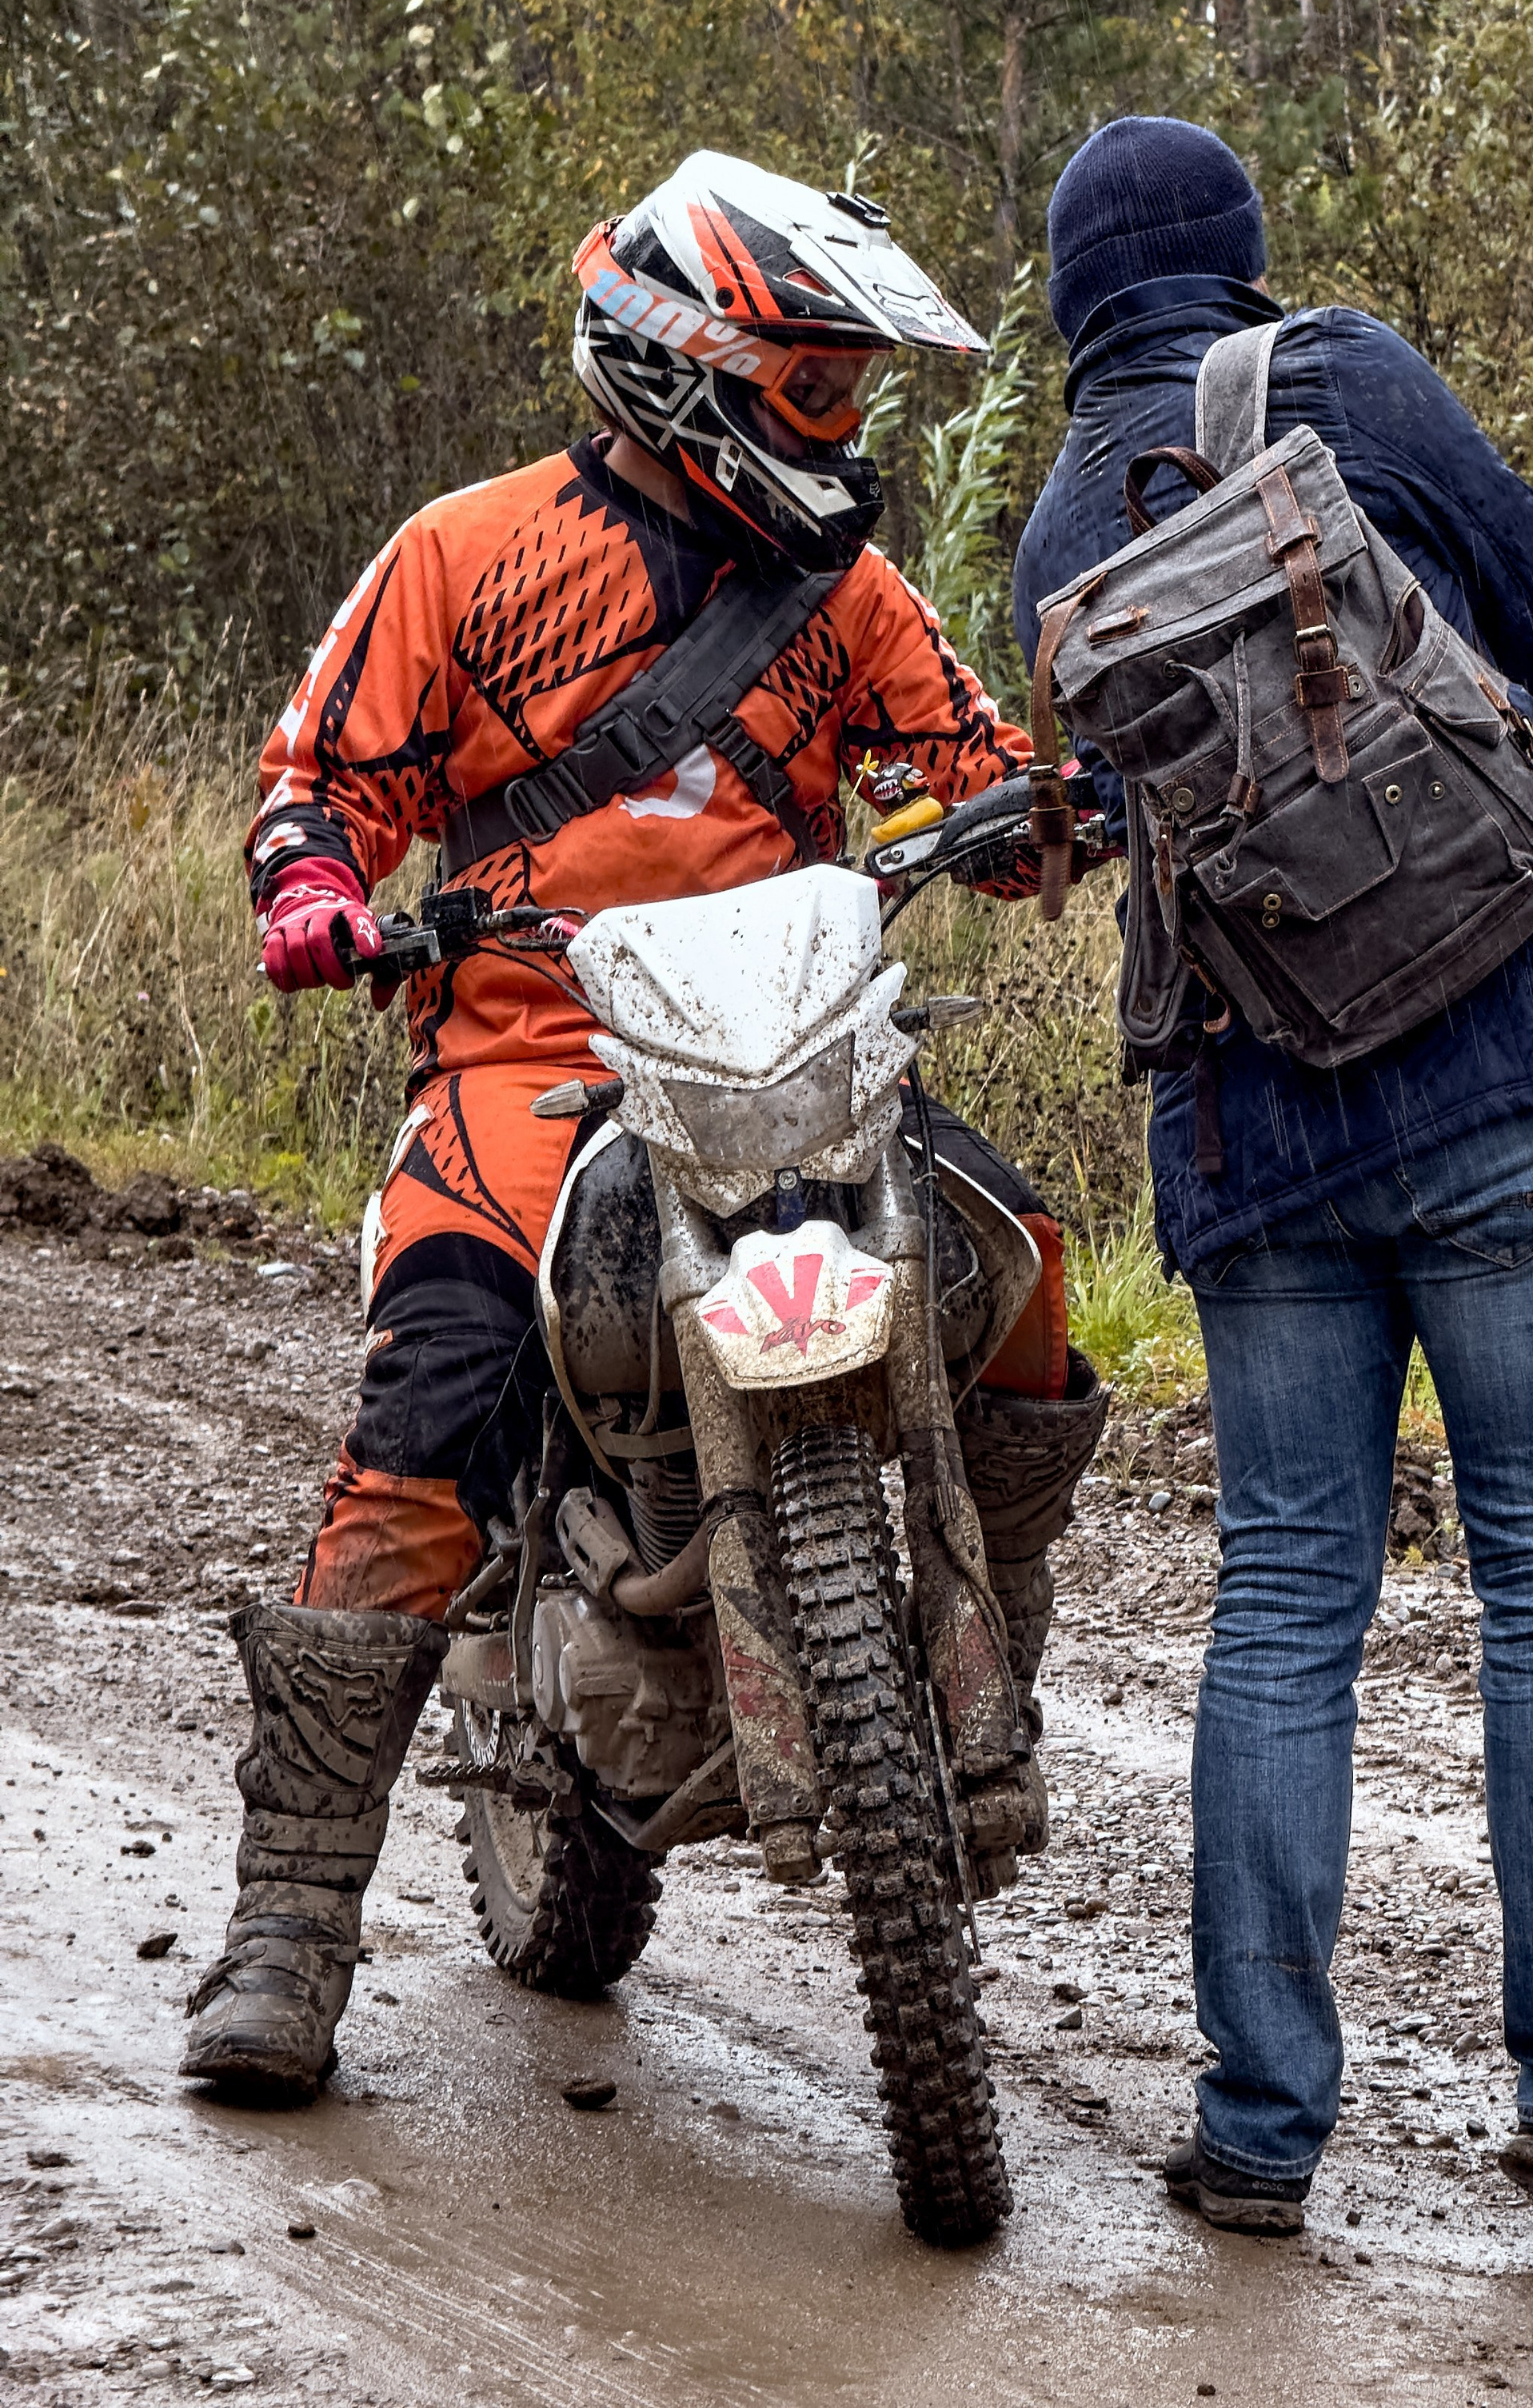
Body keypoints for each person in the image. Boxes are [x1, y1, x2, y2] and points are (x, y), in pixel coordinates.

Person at [182, 150, 1108, 2103]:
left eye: (851, 393)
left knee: (1017, 1275)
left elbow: (964, 764)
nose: (840, 427)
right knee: (428, 1405)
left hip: (796, 1047)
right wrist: (316, 891)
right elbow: (318, 782)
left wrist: (1041, 815)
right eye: (816, 389)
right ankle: (289, 1929)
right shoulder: (464, 552)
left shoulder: (842, 592)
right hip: (529, 1054)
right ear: (691, 370)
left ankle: (988, 1638)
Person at [1012, 116, 1533, 2258]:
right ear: (1241, 257)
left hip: (1253, 1114)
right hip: (1494, 1064)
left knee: (1287, 1595)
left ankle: (1255, 2128)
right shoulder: (1346, 377)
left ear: (1071, 306)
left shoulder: (1053, 530)